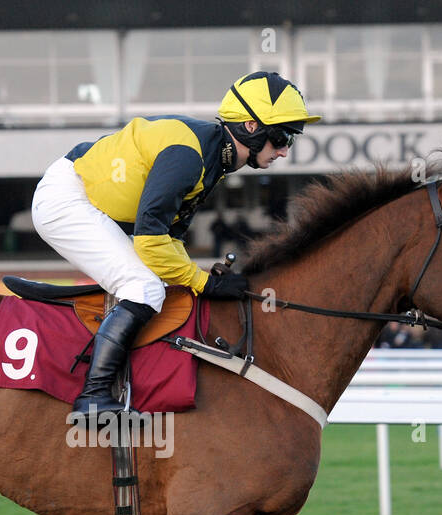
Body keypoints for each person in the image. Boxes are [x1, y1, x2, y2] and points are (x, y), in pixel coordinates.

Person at [31, 71, 321, 416]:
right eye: (282, 136)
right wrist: (204, 282)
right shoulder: (190, 157)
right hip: (67, 199)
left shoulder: (215, 158)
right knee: (142, 287)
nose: (285, 151)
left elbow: (170, 238)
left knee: (164, 286)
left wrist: (197, 277)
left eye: (291, 139)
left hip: (99, 206)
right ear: (250, 127)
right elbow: (151, 242)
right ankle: (93, 396)